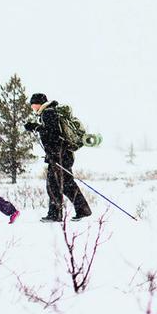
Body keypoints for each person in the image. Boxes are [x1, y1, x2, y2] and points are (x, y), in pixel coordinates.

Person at [24, 93, 92, 222]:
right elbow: (54, 133)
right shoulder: (52, 112)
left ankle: (55, 215)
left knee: (53, 185)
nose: (32, 107)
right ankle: (83, 210)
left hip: (59, 156)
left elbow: (53, 135)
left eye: (33, 104)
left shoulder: (48, 113)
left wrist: (36, 127)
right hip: (63, 154)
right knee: (67, 184)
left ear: (39, 103)